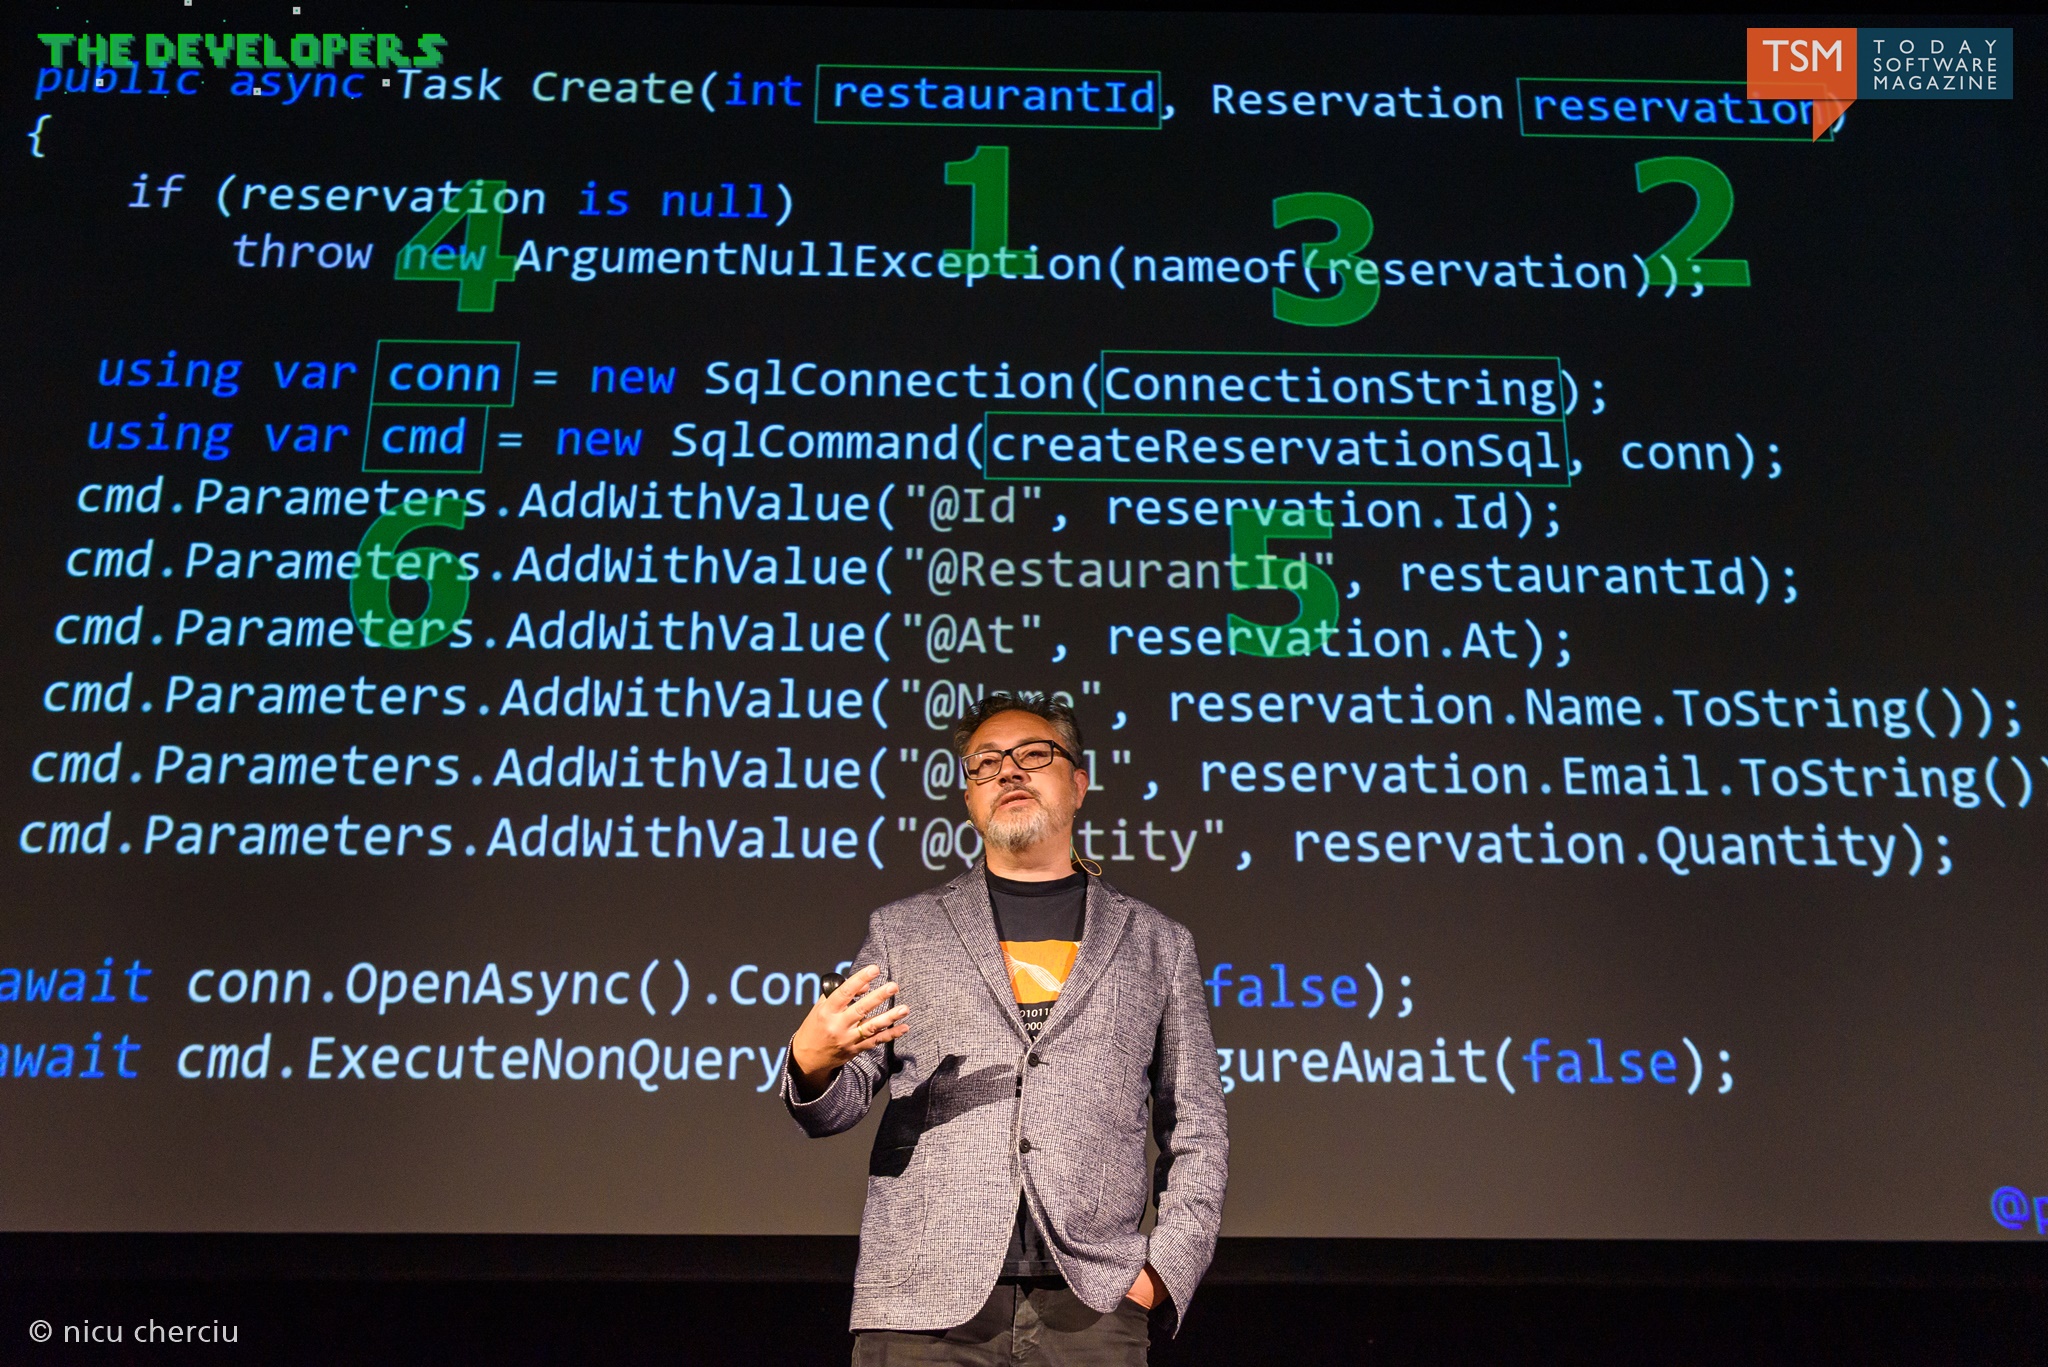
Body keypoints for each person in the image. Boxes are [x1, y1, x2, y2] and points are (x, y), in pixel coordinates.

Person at [781, 693, 1229, 1364]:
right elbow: (836, 1107)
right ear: (969, 798)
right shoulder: (903, 931)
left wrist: (1162, 1271)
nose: (1009, 771)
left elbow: (1197, 1126)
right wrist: (812, 1061)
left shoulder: (1157, 943)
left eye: (1034, 755)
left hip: (1093, 1306)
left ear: (1079, 784)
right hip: (922, 1301)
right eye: (985, 762)